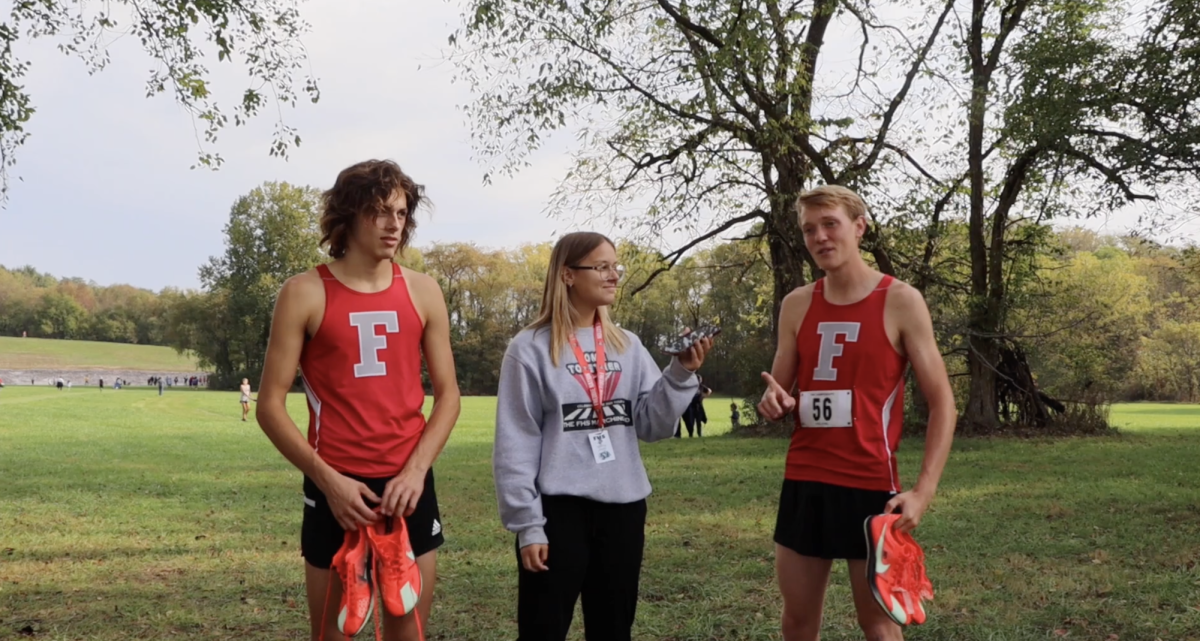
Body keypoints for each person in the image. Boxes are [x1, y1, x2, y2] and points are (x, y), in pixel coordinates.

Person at [256, 159, 461, 641]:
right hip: (335, 488)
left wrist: (414, 472)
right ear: (348, 214)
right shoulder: (303, 292)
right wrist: (328, 483)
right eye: (380, 211)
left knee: (407, 632)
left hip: (408, 487)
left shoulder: (424, 291)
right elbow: (269, 405)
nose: (395, 225)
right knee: (334, 635)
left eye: (402, 213)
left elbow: (449, 396)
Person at [757, 185, 957, 641]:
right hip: (805, 479)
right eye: (810, 229)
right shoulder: (797, 303)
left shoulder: (900, 300)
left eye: (831, 224)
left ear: (859, 227)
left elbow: (943, 402)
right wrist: (773, 403)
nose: (820, 237)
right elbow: (778, 392)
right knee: (797, 620)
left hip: (870, 485)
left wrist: (923, 492)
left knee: (879, 623)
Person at [494, 232, 713, 641]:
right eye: (602, 267)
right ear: (567, 275)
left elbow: (651, 426)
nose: (614, 276)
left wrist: (680, 374)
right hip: (558, 512)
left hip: (624, 510)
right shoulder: (529, 348)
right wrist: (528, 525)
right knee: (543, 628)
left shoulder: (626, 345)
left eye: (617, 267)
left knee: (613, 629)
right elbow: (515, 442)